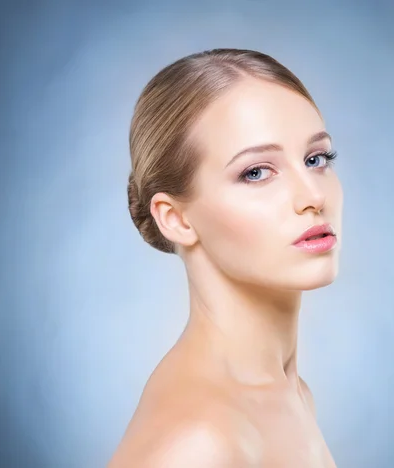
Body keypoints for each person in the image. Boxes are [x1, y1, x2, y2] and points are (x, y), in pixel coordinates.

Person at [108, 48, 343, 467]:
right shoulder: (198, 444)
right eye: (256, 172)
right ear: (176, 218)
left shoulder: (288, 393)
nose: (313, 196)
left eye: (315, 159)